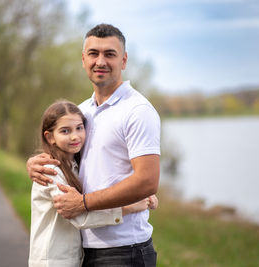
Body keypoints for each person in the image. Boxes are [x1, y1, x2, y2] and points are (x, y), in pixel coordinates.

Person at [27, 24, 161, 266]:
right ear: (83, 59)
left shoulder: (137, 111)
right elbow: (66, 155)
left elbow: (148, 181)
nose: (101, 61)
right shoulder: (82, 112)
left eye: (110, 54)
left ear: (124, 60)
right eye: (93, 53)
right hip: (83, 249)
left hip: (124, 250)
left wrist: (84, 203)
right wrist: (34, 163)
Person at [29, 100, 157, 267]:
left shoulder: (74, 166)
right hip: (52, 261)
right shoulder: (51, 171)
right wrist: (130, 207)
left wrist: (141, 192)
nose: (75, 136)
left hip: (71, 258)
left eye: (79, 128)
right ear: (50, 137)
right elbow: (78, 216)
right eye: (65, 131)